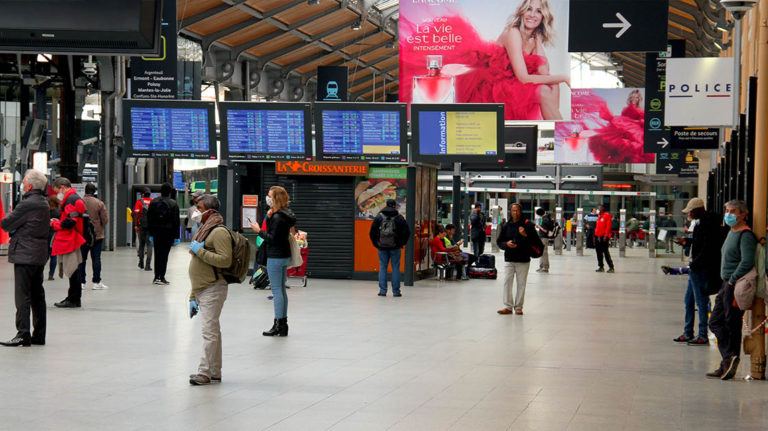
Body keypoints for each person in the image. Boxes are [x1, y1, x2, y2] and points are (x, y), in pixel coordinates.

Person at [706, 200, 757, 381]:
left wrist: (732, 280)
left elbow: (747, 261)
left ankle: (728, 360)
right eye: (727, 210)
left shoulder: (745, 235)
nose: (728, 214)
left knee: (730, 323)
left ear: (743, 215)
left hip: (733, 285)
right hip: (725, 283)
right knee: (716, 322)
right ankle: (728, 359)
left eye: (733, 211)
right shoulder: (731, 232)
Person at [0, 170, 50, 346]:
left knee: (22, 296)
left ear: (29, 185)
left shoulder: (28, 203)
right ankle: (39, 334)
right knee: (37, 295)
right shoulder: (43, 202)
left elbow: (6, 224)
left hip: (25, 253)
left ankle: (22, 334)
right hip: (38, 253)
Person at [186, 195, 232, 385]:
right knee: (214, 331)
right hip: (203, 289)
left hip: (214, 288)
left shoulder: (218, 232)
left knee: (209, 331)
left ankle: (204, 372)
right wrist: (192, 296)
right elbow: (197, 265)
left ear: (210, 211)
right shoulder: (204, 230)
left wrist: (200, 251)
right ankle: (214, 371)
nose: (196, 211)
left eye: (200, 207)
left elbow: (225, 260)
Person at [672, 198, 728, 346]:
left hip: (700, 269)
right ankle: (688, 332)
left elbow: (708, 248)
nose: (689, 214)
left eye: (691, 211)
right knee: (688, 300)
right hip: (696, 268)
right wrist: (687, 241)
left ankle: (702, 334)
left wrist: (695, 264)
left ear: (698, 210)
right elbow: (701, 243)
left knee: (701, 301)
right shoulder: (702, 223)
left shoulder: (707, 225)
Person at [249, 186, 296, 337]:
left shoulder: (277, 217)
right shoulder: (285, 214)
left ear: (276, 198)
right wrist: (269, 216)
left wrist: (258, 230)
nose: (267, 198)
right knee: (281, 289)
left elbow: (272, 239)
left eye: (270, 196)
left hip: (275, 256)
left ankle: (278, 324)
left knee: (276, 291)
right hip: (284, 255)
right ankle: (283, 325)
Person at [51, 177, 87, 308]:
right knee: (74, 269)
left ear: (62, 187)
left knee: (72, 270)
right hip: (74, 238)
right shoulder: (75, 198)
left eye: (57, 191)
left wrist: (56, 224)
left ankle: (73, 299)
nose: (58, 194)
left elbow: (71, 222)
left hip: (70, 239)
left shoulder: (71, 200)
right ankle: (73, 297)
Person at [496, 203, 538, 315]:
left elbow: (534, 242)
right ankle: (507, 306)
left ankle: (518, 307)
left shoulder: (527, 225)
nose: (515, 213)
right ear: (510, 212)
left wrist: (525, 235)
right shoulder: (505, 225)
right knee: (507, 282)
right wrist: (506, 244)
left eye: (517, 210)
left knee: (521, 283)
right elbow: (499, 242)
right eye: (513, 210)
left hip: (523, 259)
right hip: (509, 258)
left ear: (521, 211)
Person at [369, 199, 410, 297]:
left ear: (386, 205)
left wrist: (377, 244)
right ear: (395, 206)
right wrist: (401, 243)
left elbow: (372, 232)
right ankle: (396, 292)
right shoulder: (399, 217)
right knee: (395, 267)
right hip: (395, 247)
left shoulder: (379, 217)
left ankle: (383, 291)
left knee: (383, 267)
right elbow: (407, 232)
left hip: (382, 246)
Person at [145, 183, 180, 285]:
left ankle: (156, 277)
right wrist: (176, 236)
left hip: (156, 232)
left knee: (157, 253)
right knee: (164, 255)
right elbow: (176, 221)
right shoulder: (173, 203)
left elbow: (149, 218)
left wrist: (151, 233)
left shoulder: (153, 202)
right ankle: (162, 276)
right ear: (169, 192)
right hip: (168, 233)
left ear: (160, 191)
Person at [80, 183, 109, 290]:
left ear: (85, 190)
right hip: (97, 235)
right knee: (96, 258)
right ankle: (96, 282)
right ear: (94, 191)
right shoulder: (99, 203)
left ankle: (81, 282)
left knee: (82, 259)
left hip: (82, 235)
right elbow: (105, 220)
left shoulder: (79, 202)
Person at [133, 188, 153, 271]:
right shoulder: (153, 202)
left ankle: (141, 263)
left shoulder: (139, 202)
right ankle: (148, 265)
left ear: (143, 194)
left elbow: (136, 214)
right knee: (149, 245)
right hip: (151, 227)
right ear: (150, 194)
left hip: (141, 226)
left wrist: (136, 225)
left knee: (142, 244)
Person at [594, 205, 615, 273]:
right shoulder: (599, 216)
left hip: (604, 237)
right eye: (598, 208)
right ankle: (601, 266)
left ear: (603, 208)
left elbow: (608, 226)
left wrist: (606, 236)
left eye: (599, 208)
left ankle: (611, 267)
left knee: (605, 252)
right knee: (598, 252)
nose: (598, 209)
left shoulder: (607, 215)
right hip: (597, 236)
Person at [534, 208, 554, 273]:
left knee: (544, 252)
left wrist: (539, 226)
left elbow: (545, 230)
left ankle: (545, 267)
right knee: (541, 252)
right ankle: (542, 266)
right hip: (542, 237)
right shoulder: (545, 218)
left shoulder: (545, 219)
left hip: (544, 237)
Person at [46, 195, 60, 280]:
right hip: (55, 235)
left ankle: (39, 271)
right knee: (54, 255)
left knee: (46, 255)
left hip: (46, 234)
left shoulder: (46, 212)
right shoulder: (58, 213)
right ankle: (51, 274)